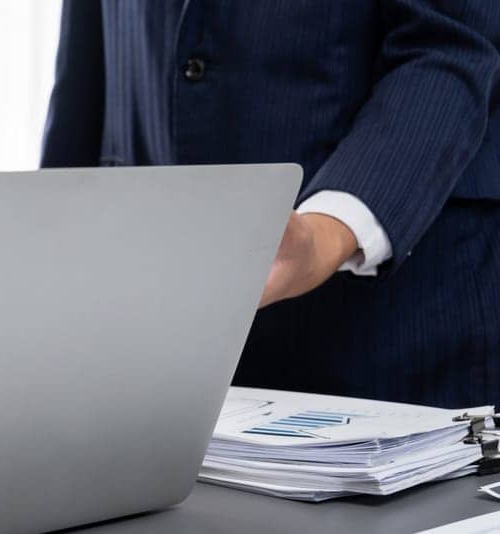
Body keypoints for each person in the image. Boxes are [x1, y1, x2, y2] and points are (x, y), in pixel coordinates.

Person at [42, 1, 500, 407]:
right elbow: (90, 61)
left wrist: (327, 231)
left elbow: (450, 43)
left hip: (393, 330)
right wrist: (50, 262)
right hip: (157, 344)